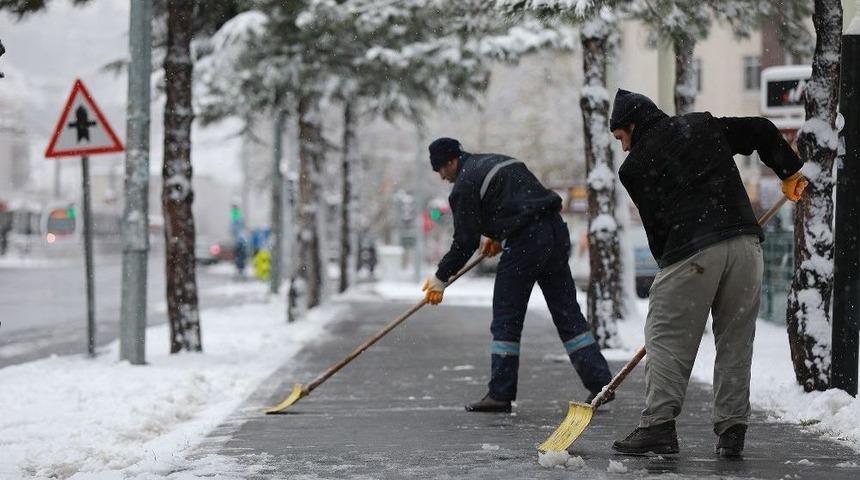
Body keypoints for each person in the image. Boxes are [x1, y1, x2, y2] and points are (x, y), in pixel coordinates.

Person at [607, 89, 807, 457]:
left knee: (667, 337)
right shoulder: (700, 125)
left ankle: (658, 427)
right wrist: (788, 170)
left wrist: (674, 269)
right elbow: (761, 129)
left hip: (694, 247)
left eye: (621, 138)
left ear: (633, 125)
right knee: (735, 341)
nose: (623, 148)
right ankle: (732, 431)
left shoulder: (633, 168)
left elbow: (658, 230)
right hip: (747, 245)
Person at [421, 137, 613, 413]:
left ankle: (500, 394)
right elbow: (519, 200)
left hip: (526, 242)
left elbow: (464, 241)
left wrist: (441, 278)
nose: (442, 177)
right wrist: (499, 234)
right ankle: (601, 383)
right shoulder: (495, 161)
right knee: (566, 310)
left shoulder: (464, 184)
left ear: (451, 161)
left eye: (440, 169)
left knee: (506, 316)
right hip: (554, 231)